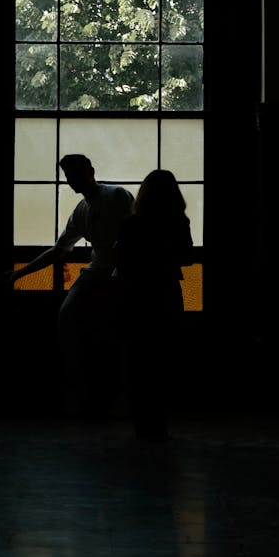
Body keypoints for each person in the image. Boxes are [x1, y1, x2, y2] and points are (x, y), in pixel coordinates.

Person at [5, 154, 134, 417]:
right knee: (67, 315)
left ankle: (110, 389)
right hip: (99, 268)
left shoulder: (118, 196)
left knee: (114, 327)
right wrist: (20, 274)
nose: (72, 180)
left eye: (76, 174)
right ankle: (82, 385)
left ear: (91, 172)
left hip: (125, 269)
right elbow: (59, 250)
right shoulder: (81, 210)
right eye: (69, 175)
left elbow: (134, 234)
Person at [114, 168, 195, 442]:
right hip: (165, 293)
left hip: (136, 296)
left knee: (138, 361)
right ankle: (158, 423)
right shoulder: (178, 222)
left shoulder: (130, 224)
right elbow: (187, 258)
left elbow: (121, 263)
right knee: (162, 359)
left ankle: (141, 422)